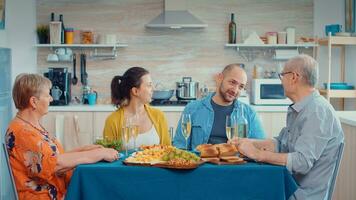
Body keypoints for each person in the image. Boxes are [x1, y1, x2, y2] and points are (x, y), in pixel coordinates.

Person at [231, 54, 344, 200]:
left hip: (300, 195)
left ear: (294, 77)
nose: (281, 81)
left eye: (282, 75)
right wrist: (247, 143)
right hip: (288, 185)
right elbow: (280, 143)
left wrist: (257, 154)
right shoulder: (300, 109)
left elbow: (302, 162)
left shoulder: (318, 112)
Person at [5, 74, 118, 200]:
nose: (51, 99)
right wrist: (99, 154)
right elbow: (56, 165)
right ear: (33, 102)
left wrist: (85, 149)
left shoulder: (30, 126)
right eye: (48, 95)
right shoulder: (23, 132)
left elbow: (53, 158)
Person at [173, 63, 265, 150]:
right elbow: (180, 145)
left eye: (241, 87)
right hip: (201, 165)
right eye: (232, 82)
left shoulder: (249, 113)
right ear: (220, 78)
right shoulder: (192, 108)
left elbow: (261, 148)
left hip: (235, 165)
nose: (235, 90)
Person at [103, 67, 171, 148]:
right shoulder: (113, 120)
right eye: (149, 85)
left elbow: (168, 151)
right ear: (135, 91)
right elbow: (107, 154)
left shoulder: (159, 116)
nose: (153, 89)